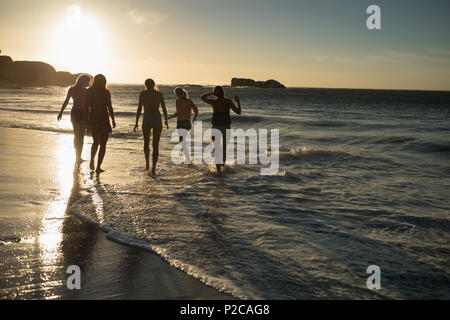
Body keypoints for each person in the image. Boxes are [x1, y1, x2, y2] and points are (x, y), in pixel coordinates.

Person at [201, 86, 241, 173]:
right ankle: (222, 168)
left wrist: (211, 93)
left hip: (216, 126)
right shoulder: (228, 101)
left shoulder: (214, 102)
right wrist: (238, 102)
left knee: (218, 149)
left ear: (216, 93)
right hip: (226, 127)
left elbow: (202, 97)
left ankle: (219, 170)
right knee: (223, 149)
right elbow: (238, 112)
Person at [133, 79, 169, 174]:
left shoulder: (143, 93)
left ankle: (147, 165)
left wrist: (136, 122)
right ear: (153, 84)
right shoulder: (159, 94)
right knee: (155, 145)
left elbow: (139, 108)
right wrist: (166, 120)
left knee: (146, 143)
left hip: (147, 119)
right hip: (157, 119)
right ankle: (153, 167)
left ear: (146, 85)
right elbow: (164, 108)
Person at [57, 74, 91, 163]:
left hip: (75, 113)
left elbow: (66, 101)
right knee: (80, 136)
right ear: (83, 81)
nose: (88, 83)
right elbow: (89, 106)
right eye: (87, 82)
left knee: (77, 135)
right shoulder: (86, 91)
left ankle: (78, 157)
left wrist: (61, 112)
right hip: (82, 113)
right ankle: (78, 157)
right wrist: (90, 116)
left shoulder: (72, 89)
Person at [86, 74, 116, 173]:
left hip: (93, 119)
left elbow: (87, 107)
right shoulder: (106, 92)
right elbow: (109, 107)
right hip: (103, 120)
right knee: (103, 144)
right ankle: (98, 167)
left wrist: (87, 121)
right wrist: (113, 120)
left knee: (95, 142)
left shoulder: (90, 91)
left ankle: (91, 160)